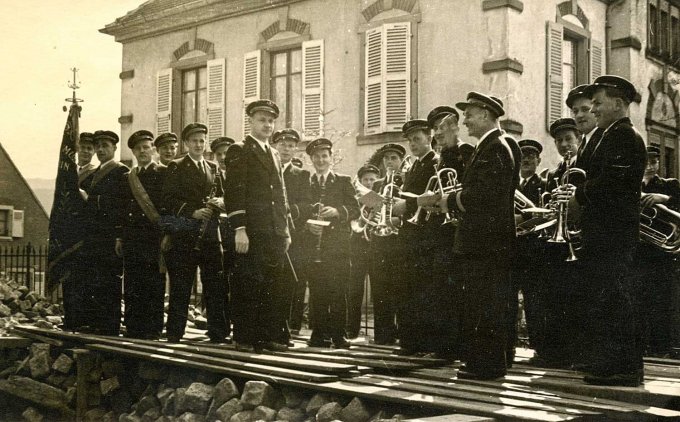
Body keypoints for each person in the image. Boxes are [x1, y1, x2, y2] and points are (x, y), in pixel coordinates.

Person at [420, 92, 520, 379]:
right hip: (485, 240)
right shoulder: (491, 145)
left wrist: (449, 202)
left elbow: (485, 195)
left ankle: (487, 366)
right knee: (482, 303)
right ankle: (485, 362)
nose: (465, 120)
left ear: (487, 115)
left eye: (470, 114)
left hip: (486, 242)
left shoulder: (496, 147)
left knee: (485, 304)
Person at [563, 75, 646, 386]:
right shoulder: (603, 135)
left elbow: (612, 182)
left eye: (598, 103)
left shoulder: (624, 136)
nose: (593, 109)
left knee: (616, 298)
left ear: (618, 104)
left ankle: (626, 368)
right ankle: (609, 363)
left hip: (614, 232)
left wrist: (578, 196)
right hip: (601, 231)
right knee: (605, 299)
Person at [223, 100, 291, 352]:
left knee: (273, 284)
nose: (267, 125)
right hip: (251, 230)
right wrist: (240, 228)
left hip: (273, 230)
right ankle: (244, 337)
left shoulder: (273, 153)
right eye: (262, 119)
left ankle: (267, 336)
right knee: (248, 283)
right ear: (251, 121)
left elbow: (281, 194)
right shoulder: (239, 149)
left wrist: (284, 231)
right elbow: (235, 191)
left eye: (271, 120)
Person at [161, 123, 229, 344]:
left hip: (210, 234)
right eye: (194, 141)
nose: (199, 145)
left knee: (214, 285)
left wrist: (220, 201)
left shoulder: (213, 167)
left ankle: (218, 333)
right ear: (186, 143)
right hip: (186, 235)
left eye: (202, 140)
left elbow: (225, 195)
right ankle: (175, 333)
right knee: (182, 286)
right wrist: (193, 212)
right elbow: (168, 200)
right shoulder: (176, 166)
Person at [392, 119, 442, 356]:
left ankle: (425, 343)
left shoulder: (436, 163)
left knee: (425, 291)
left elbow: (431, 197)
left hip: (426, 236)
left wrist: (406, 205)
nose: (413, 144)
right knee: (408, 288)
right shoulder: (412, 165)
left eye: (418, 139)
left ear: (429, 138)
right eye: (410, 140)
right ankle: (411, 342)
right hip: (410, 235)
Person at [303, 138, 359, 348]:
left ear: (331, 158)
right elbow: (300, 213)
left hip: (338, 248)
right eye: (316, 157)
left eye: (324, 156)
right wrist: (308, 226)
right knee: (318, 292)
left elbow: (355, 209)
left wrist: (337, 212)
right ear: (311, 159)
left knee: (338, 291)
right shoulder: (306, 182)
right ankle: (319, 334)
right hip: (314, 246)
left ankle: (338, 335)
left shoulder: (343, 181)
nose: (321, 160)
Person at [78, 130, 130, 335]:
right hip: (94, 236)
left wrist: (120, 235)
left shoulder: (121, 172)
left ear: (114, 148)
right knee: (95, 279)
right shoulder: (94, 173)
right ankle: (96, 322)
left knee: (110, 281)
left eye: (105, 146)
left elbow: (121, 206)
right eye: (98, 146)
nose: (100, 150)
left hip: (110, 235)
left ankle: (110, 326)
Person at [119, 130, 167, 339]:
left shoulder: (163, 173)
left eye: (146, 147)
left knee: (153, 283)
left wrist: (168, 235)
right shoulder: (129, 177)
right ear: (134, 152)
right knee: (132, 283)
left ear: (153, 149)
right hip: (132, 238)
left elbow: (167, 208)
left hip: (153, 238)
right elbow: (122, 209)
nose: (142, 151)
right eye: (138, 148)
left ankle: (153, 328)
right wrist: (120, 237)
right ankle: (133, 327)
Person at [637, 145, 680, 357]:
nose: (650, 166)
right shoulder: (631, 185)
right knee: (640, 301)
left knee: (661, 302)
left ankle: (662, 350)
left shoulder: (670, 185)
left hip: (662, 256)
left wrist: (664, 199)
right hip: (638, 253)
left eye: (654, 162)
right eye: (646, 162)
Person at [271, 128, 311, 343]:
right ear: (275, 146)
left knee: (292, 283)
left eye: (290, 145)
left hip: (293, 235)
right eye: (282, 144)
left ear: (295, 149)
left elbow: (307, 205)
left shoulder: (302, 175)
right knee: (272, 282)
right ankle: (272, 329)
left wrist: (289, 209)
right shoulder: (268, 170)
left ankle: (289, 328)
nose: (286, 149)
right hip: (271, 234)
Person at [510, 139, 545, 365]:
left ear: (538, 160)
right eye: (523, 156)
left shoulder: (543, 184)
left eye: (531, 156)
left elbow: (544, 214)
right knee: (510, 301)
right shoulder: (510, 184)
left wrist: (520, 218)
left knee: (535, 302)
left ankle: (539, 349)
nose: (526, 160)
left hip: (533, 250)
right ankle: (509, 347)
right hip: (512, 249)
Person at [369, 143, 408, 345]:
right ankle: (383, 336)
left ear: (401, 161)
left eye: (394, 158)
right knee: (380, 289)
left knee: (400, 289)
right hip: (380, 243)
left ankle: (403, 334)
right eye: (386, 159)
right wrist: (374, 218)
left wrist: (397, 221)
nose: (390, 162)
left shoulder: (407, 180)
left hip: (400, 243)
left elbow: (411, 211)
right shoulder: (377, 184)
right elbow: (371, 209)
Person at [347, 163, 380, 339]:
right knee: (354, 290)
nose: (369, 183)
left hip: (376, 247)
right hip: (358, 246)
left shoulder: (379, 197)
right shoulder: (357, 197)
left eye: (372, 180)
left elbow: (380, 206)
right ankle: (351, 330)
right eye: (366, 180)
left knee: (379, 290)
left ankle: (383, 334)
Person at [566, 84, 604, 172]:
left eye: (585, 109)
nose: (579, 115)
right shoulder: (584, 142)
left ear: (596, 109)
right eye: (575, 111)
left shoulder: (604, 138)